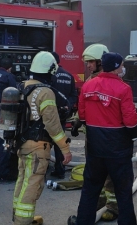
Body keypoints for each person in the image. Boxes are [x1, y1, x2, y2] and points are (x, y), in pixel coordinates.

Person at [72, 52, 137, 225]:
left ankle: (82, 222)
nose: (123, 68)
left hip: (95, 148)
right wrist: (132, 136)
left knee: (90, 190)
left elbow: (83, 115)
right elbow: (130, 121)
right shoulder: (124, 89)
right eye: (122, 65)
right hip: (118, 149)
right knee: (123, 193)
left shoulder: (88, 86)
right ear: (116, 67)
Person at [12, 51, 72, 225]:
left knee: (22, 180)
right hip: (38, 146)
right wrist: (65, 149)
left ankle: (18, 217)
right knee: (33, 184)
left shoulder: (22, 86)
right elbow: (53, 126)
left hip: (22, 143)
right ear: (50, 71)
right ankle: (23, 221)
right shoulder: (45, 92)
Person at [74, 43, 121, 222]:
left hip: (109, 136)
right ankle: (99, 202)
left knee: (110, 172)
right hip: (93, 136)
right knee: (95, 171)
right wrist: (78, 120)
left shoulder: (113, 81)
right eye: (87, 62)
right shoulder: (89, 81)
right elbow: (84, 105)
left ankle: (113, 206)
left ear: (101, 62)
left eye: (91, 62)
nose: (88, 65)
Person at [50, 51, 78, 179]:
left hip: (49, 114)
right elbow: (74, 95)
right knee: (60, 142)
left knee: (43, 142)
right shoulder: (68, 75)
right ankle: (60, 170)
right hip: (62, 113)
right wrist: (68, 105)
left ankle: (40, 170)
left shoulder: (49, 75)